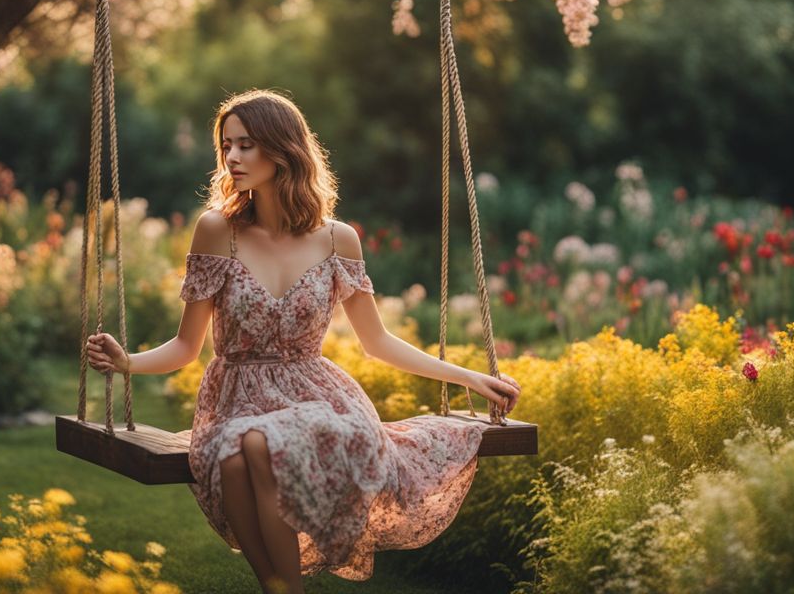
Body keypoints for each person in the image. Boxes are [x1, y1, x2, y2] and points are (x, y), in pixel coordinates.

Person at [86, 89, 521, 593]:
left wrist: (469, 376)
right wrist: (126, 362)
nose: (232, 157)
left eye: (246, 145)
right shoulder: (217, 231)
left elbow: (377, 341)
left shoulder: (337, 239)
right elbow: (186, 347)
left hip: (318, 396)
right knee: (235, 451)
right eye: (226, 146)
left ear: (282, 148)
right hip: (236, 396)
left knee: (254, 444)